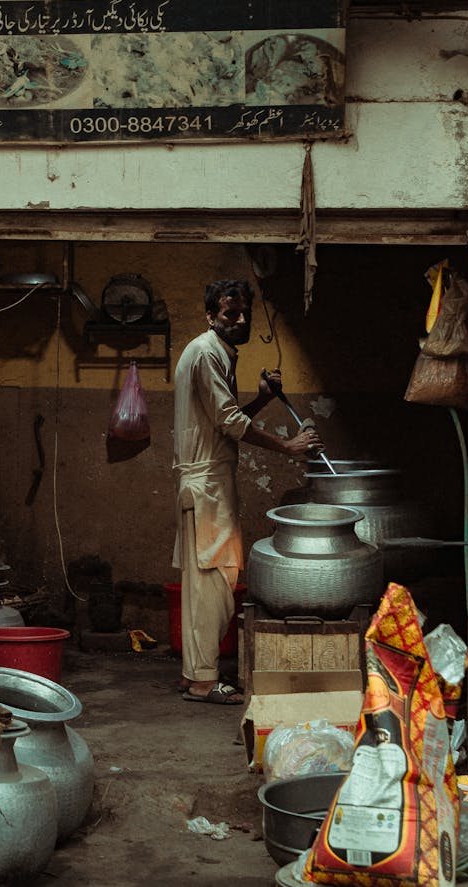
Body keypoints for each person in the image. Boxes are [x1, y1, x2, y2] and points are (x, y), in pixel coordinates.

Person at [173, 278, 323, 705]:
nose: (238, 321)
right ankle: (203, 681)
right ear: (210, 316)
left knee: (205, 582)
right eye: (229, 314)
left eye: (243, 315)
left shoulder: (215, 352)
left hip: (206, 481)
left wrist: (260, 399)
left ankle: (193, 675)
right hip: (205, 485)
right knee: (215, 582)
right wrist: (289, 446)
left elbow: (227, 417)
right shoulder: (206, 353)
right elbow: (230, 424)